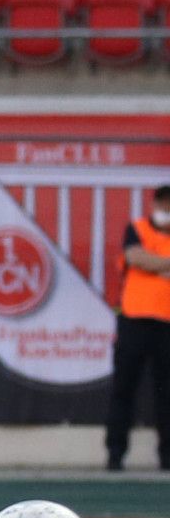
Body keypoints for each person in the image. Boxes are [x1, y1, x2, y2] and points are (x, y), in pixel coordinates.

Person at [104, 184, 170, 472]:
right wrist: (162, 265)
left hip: (166, 324)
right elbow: (134, 257)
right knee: (123, 389)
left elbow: (145, 260)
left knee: (166, 394)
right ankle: (115, 454)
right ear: (155, 203)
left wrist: (153, 263)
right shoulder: (138, 228)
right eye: (164, 204)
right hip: (134, 319)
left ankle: (167, 458)